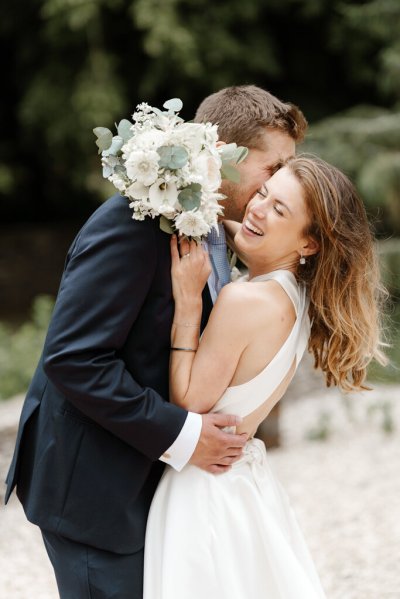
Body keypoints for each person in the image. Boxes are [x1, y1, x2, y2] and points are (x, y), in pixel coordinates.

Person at [4, 85, 307, 598]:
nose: (279, 183)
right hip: (93, 488)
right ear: (224, 153)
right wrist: (186, 435)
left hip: (152, 488)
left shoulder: (217, 226)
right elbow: (74, 359)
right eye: (273, 167)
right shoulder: (133, 223)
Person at [143, 155, 386, 599]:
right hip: (247, 488)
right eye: (262, 194)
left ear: (309, 244)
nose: (257, 210)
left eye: (280, 210)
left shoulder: (243, 301)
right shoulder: (299, 296)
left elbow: (190, 403)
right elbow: (246, 234)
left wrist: (189, 305)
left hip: (204, 492)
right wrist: (211, 217)